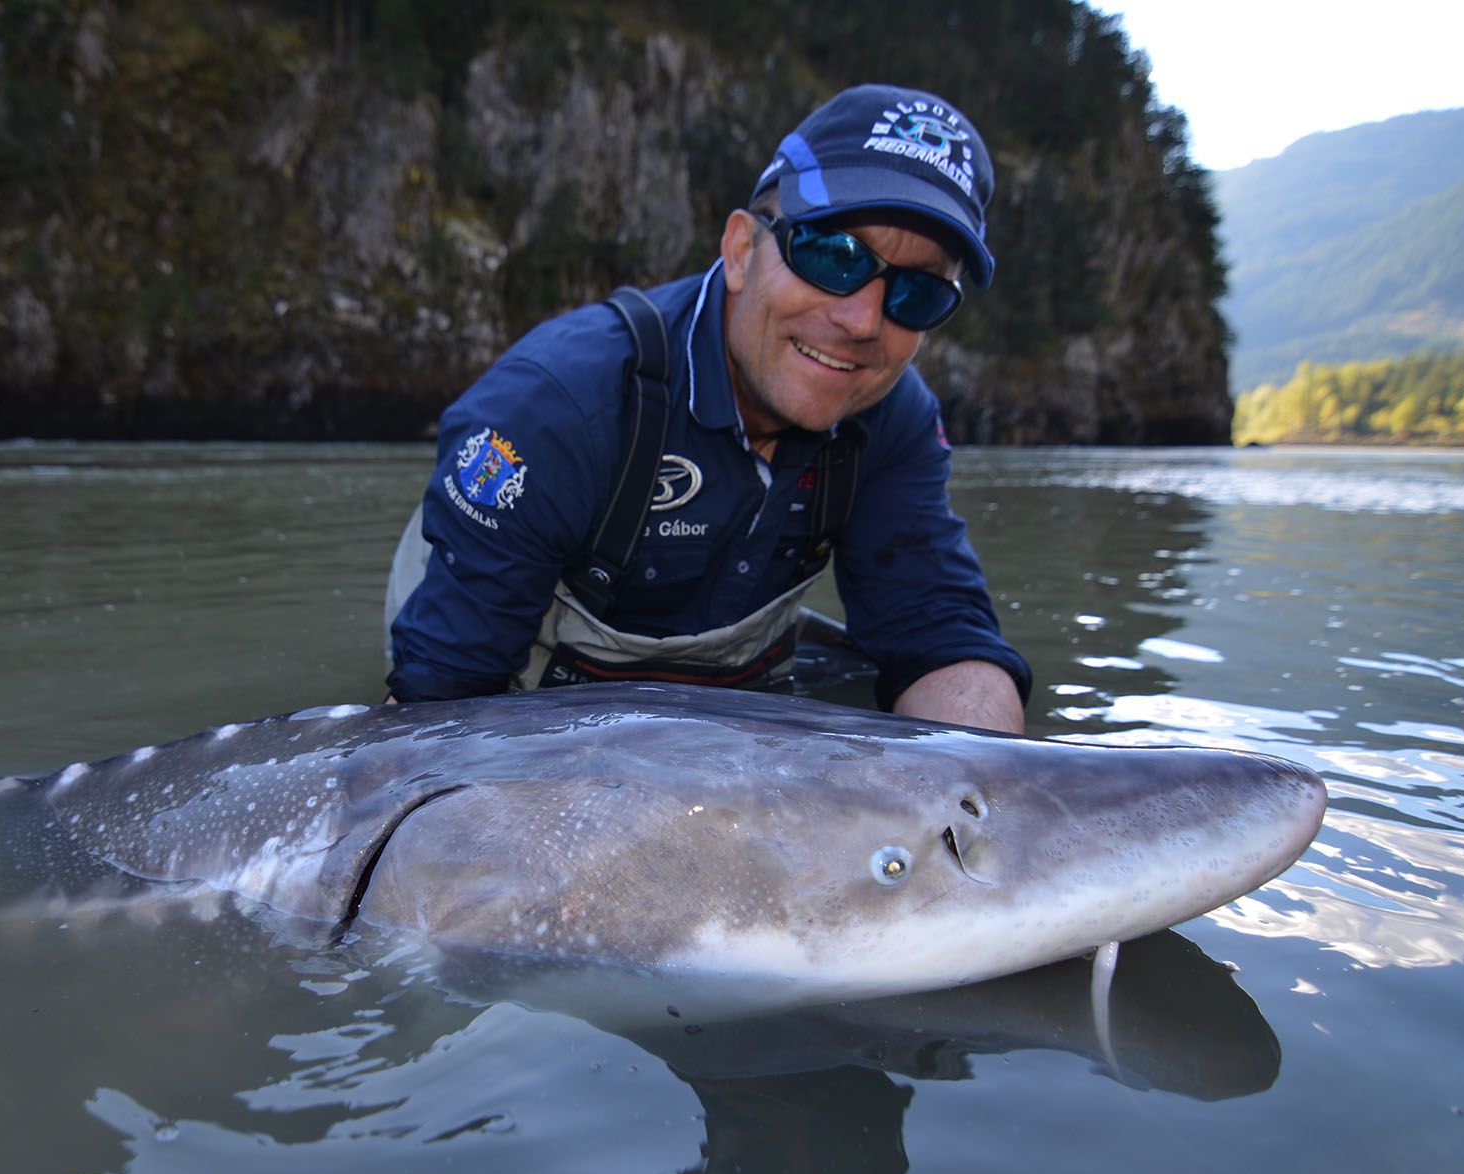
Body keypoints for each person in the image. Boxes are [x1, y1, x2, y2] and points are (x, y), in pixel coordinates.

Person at [384, 84, 1030, 734]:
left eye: (918, 294)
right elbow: (436, 717)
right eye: (833, 256)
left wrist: (993, 802)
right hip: (498, 658)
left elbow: (937, 630)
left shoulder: (892, 413)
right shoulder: (559, 405)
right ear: (742, 251)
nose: (863, 320)